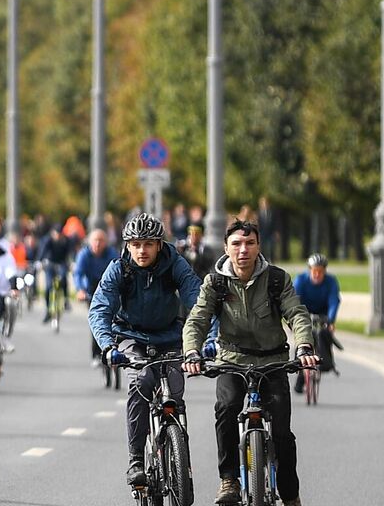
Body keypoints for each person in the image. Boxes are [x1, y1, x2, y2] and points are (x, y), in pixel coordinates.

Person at [182, 218, 317, 506]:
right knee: (226, 408)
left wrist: (304, 345)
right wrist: (193, 351)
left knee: (281, 431)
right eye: (237, 244)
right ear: (226, 248)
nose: (243, 249)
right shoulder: (215, 282)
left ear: (258, 246)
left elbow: (296, 313)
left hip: (273, 361)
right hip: (232, 359)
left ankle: (290, 495)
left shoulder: (278, 279)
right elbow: (197, 319)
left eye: (250, 243)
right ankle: (229, 479)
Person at [88, 214, 202, 489]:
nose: (142, 250)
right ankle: (136, 460)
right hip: (131, 337)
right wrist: (107, 346)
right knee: (141, 383)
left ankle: (178, 452)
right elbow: (100, 309)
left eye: (149, 244)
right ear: (127, 246)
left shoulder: (175, 264)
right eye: (136, 244)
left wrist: (205, 341)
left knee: (174, 390)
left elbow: (199, 303)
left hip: (171, 337)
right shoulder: (119, 269)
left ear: (160, 245)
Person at [290, 254, 340, 375]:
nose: (317, 274)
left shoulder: (331, 281)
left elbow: (334, 301)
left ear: (325, 271)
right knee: (305, 334)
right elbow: (294, 300)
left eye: (320, 271)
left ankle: (326, 362)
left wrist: (331, 320)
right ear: (309, 270)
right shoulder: (301, 280)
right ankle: (299, 368)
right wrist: (296, 319)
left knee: (324, 333)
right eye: (314, 271)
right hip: (305, 311)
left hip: (323, 312)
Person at [73, 227, 115, 362]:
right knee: (97, 320)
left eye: (101, 241)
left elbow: (120, 268)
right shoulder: (84, 255)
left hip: (108, 287)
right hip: (91, 289)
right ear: (90, 242)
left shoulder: (111, 253)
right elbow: (78, 273)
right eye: (95, 240)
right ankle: (96, 354)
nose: (98, 244)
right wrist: (80, 290)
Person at [34, 220, 75, 322]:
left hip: (61, 263)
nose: (58, 236)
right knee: (48, 286)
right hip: (50, 263)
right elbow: (42, 251)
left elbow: (71, 252)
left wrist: (73, 262)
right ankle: (48, 309)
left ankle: (66, 300)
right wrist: (39, 261)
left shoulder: (66, 240)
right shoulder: (47, 240)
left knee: (63, 278)